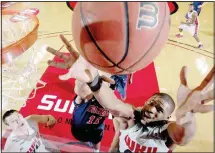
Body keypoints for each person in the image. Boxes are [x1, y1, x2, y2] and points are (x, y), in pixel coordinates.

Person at [46, 35, 214, 152]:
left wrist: (188, 116)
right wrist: (93, 79)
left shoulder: (166, 132)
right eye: (152, 102)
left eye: (160, 109)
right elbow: (115, 106)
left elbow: (183, 136)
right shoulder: (132, 115)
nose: (152, 109)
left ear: (166, 117)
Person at [47, 34, 113, 152]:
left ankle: (96, 150)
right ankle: (96, 150)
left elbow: (83, 90)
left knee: (96, 141)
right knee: (96, 140)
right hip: (86, 129)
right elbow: (82, 90)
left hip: (89, 129)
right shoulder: (88, 97)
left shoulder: (89, 97)